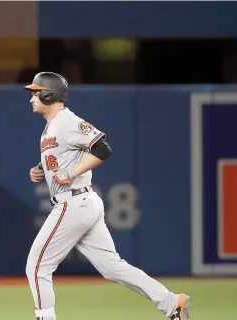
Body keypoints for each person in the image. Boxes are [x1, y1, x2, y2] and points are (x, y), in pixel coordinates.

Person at [24, 72, 191, 320]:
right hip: (82, 203)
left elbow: (102, 148)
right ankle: (170, 302)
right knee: (112, 267)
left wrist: (71, 172)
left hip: (73, 203)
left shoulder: (67, 121)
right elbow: (63, 154)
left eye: (37, 92)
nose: (32, 98)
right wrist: (41, 169)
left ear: (50, 94)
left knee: (37, 267)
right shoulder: (52, 126)